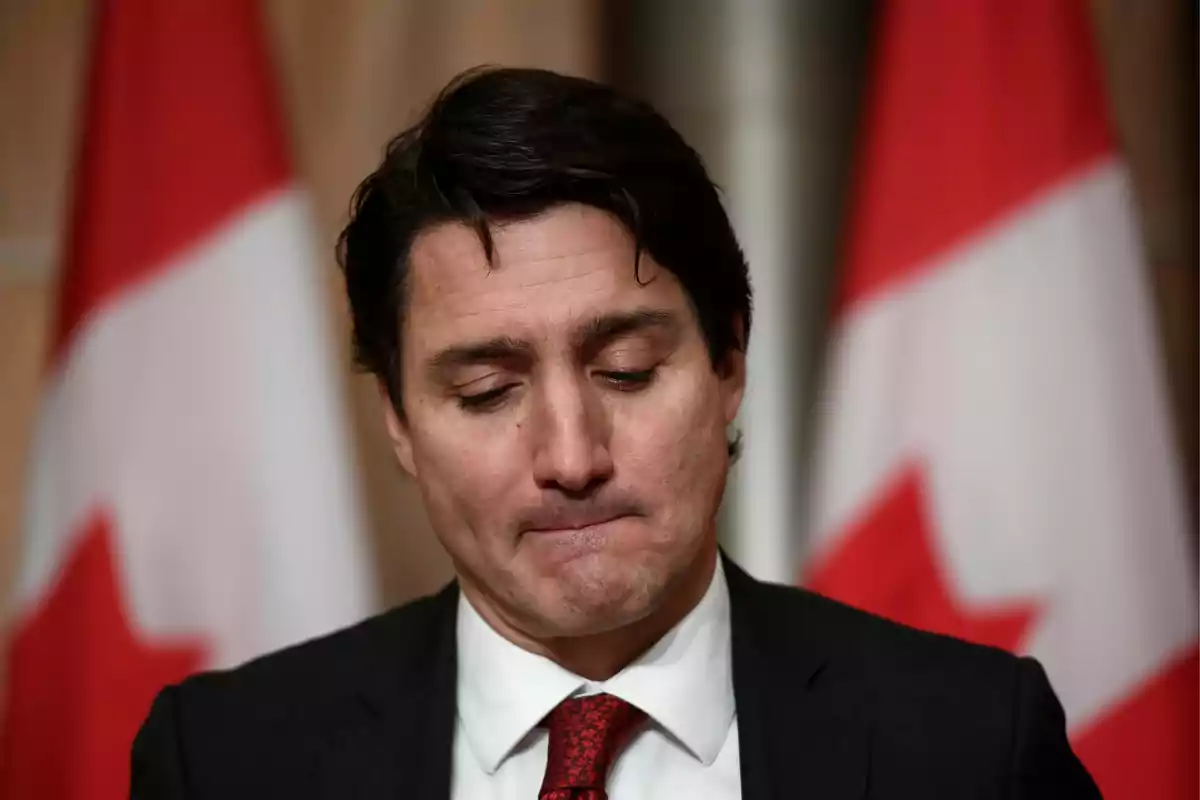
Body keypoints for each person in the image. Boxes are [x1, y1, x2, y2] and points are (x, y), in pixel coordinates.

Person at [130, 67, 1099, 799]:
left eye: (625, 371)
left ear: (728, 364)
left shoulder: (972, 746)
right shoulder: (225, 760)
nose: (571, 456)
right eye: (484, 390)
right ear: (398, 421)